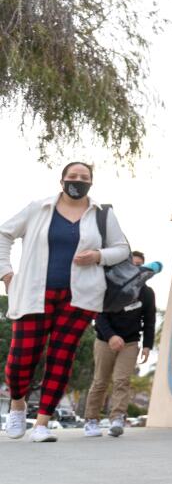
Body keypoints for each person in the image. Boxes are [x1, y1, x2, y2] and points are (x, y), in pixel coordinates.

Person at [0, 162, 130, 443]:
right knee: (22, 358)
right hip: (34, 293)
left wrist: (98, 256)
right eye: (73, 176)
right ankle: (18, 405)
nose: (78, 180)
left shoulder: (102, 214)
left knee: (61, 358)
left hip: (80, 297)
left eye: (84, 177)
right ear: (62, 180)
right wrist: (6, 273)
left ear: (91, 183)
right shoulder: (39, 207)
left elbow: (122, 249)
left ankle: (43, 424)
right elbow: (3, 233)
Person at [84, 251, 156, 438]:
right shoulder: (109, 286)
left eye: (140, 265)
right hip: (105, 340)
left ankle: (117, 419)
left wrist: (147, 345)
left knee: (122, 380)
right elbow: (99, 316)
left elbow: (149, 320)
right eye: (133, 264)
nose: (136, 268)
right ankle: (91, 420)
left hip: (130, 342)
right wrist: (111, 337)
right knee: (100, 381)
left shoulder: (147, 293)